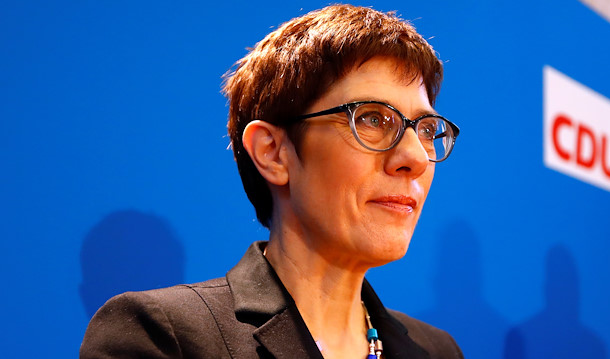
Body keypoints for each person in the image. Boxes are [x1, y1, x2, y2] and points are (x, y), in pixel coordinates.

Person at [80, 4, 462, 359]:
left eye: (426, 129)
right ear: (273, 152)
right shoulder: (164, 337)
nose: (414, 157)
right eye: (372, 119)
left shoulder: (438, 350)